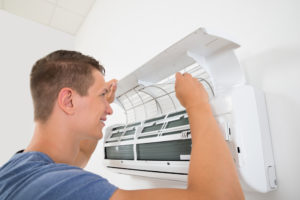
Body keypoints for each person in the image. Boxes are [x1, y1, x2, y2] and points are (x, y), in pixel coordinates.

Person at [0, 50, 244, 200]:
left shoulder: (20, 169)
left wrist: (98, 102)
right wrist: (197, 104)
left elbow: (80, 155)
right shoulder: (58, 188)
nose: (108, 108)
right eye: (100, 97)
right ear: (69, 100)